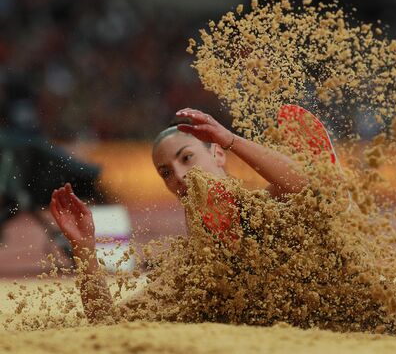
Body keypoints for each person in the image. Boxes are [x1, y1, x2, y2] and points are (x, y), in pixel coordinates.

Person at [49, 108, 309, 322]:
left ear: (217, 154)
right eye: (166, 173)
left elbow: (306, 187)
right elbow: (108, 323)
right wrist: (83, 249)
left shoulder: (267, 208)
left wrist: (232, 139)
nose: (179, 177)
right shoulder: (189, 274)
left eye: (186, 158)